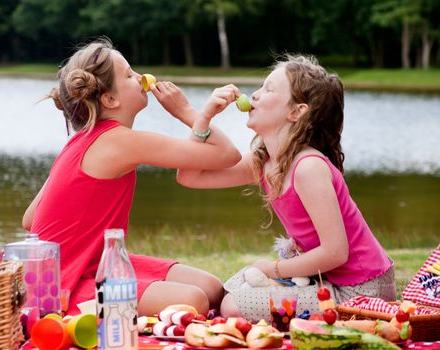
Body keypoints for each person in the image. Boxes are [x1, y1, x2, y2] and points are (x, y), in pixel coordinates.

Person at [22, 37, 241, 316]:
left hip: (96, 265)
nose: (140, 77)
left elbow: (30, 219)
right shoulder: (121, 142)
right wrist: (186, 111)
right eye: (129, 74)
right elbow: (227, 154)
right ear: (110, 99)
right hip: (63, 287)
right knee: (193, 300)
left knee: (211, 287)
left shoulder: (80, 141)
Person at [176, 55, 396, 322]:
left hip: (360, 291)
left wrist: (275, 269)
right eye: (260, 87)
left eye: (269, 89)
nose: (255, 95)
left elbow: (336, 251)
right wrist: (205, 115)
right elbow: (189, 176)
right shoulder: (264, 163)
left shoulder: (308, 167)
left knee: (234, 307)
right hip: (326, 280)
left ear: (296, 112)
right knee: (226, 292)